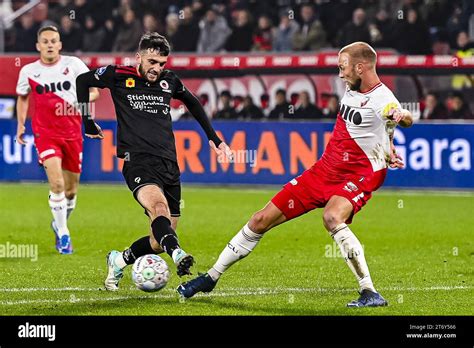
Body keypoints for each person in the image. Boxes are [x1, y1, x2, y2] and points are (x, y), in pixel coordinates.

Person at [177, 42, 414, 308]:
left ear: (360, 67)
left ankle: (369, 291)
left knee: (332, 217)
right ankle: (211, 277)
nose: (340, 73)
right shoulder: (352, 87)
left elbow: (401, 117)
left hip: (360, 173)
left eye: (343, 67)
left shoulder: (384, 98)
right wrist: (390, 147)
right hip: (325, 169)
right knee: (259, 220)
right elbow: (385, 127)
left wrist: (401, 114)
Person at [76, 32, 232, 291]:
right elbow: (82, 80)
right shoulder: (118, 74)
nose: (157, 69)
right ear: (139, 57)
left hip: (169, 164)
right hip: (137, 161)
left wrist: (214, 138)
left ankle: (119, 259)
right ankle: (179, 254)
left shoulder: (169, 81)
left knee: (159, 240)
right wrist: (87, 119)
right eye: (152, 62)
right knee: (158, 209)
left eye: (161, 63)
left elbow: (193, 103)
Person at [16, 25, 100, 254]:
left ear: (60, 44)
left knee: (71, 191)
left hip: (72, 134)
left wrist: (81, 100)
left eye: (54, 40)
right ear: (38, 46)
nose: (50, 44)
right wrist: (21, 124)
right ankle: (64, 234)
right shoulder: (29, 71)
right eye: (45, 41)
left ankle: (59, 222)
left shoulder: (73, 65)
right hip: (45, 134)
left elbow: (95, 91)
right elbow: (23, 97)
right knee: (57, 184)